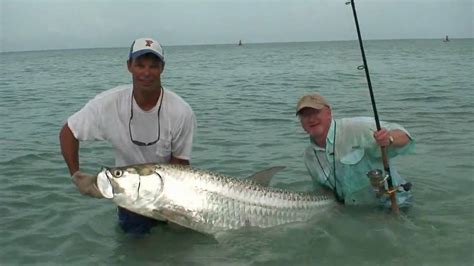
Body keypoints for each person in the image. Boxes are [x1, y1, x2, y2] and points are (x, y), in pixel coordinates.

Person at [59, 37, 197, 234]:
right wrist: (76, 175)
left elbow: (180, 167)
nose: (146, 73)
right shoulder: (108, 104)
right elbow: (68, 132)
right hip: (131, 198)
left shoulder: (181, 111)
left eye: (153, 66)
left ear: (162, 68)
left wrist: (173, 206)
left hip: (172, 195)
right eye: (140, 65)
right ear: (129, 66)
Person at [296, 93, 414, 208]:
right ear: (301, 121)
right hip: (355, 212)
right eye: (305, 115)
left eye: (315, 112)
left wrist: (389, 138)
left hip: (394, 205)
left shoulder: (357, 127)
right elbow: (322, 191)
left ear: (328, 113)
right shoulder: (309, 156)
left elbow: (405, 137)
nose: (311, 119)